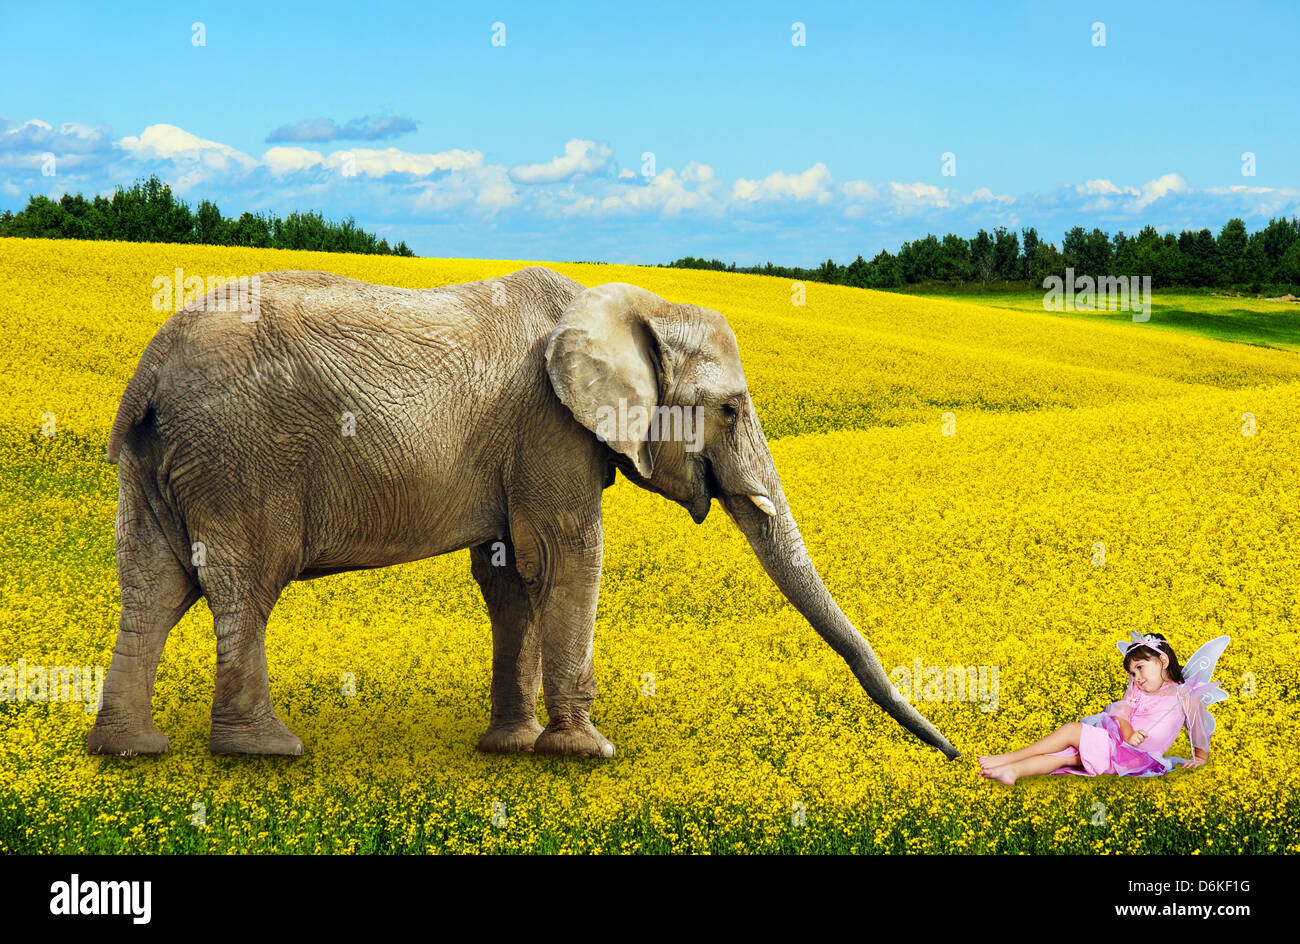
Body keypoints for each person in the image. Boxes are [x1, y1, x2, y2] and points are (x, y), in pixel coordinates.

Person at [977, 631, 1228, 785]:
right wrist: (1129, 733)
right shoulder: (1137, 689)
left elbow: (1198, 730)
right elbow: (1122, 713)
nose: (1137, 677)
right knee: (1068, 757)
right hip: (1118, 742)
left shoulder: (1187, 695)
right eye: (1132, 672)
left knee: (1071, 731)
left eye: (1140, 667)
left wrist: (1200, 758)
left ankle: (1007, 759)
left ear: (1163, 660)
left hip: (1136, 757)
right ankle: (1012, 771)